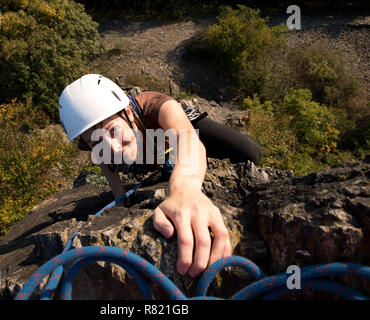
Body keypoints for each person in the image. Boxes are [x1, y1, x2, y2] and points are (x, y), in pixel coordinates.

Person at [59, 74, 262, 278]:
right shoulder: (91, 138)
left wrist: (185, 189)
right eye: (97, 141)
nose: (111, 146)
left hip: (179, 128)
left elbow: (187, 138)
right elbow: (105, 162)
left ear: (128, 113)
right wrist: (120, 198)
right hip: (151, 147)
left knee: (250, 152)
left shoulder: (156, 105)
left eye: (112, 130)